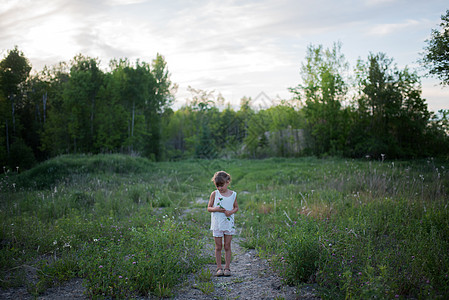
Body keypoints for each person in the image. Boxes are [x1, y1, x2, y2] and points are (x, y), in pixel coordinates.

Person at [207, 171, 239, 277]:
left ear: (228, 182)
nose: (220, 188)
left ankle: (227, 267)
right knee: (218, 246)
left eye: (222, 185)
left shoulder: (233, 194)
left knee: (227, 246)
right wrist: (215, 209)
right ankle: (219, 267)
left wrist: (231, 212)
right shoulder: (214, 194)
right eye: (217, 186)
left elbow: (236, 207)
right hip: (217, 224)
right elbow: (209, 208)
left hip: (228, 224)